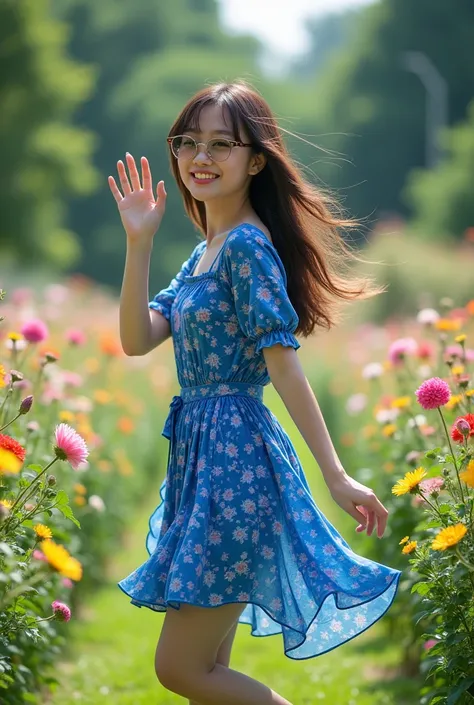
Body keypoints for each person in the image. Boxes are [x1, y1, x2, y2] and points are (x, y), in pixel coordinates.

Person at [110, 81, 401, 705]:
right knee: (206, 674)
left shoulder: (245, 247)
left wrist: (337, 474)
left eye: (221, 143)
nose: (200, 157)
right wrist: (139, 243)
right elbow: (137, 339)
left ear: (257, 159)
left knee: (182, 669)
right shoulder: (203, 255)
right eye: (188, 142)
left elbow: (285, 367)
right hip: (204, 463)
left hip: (237, 466)